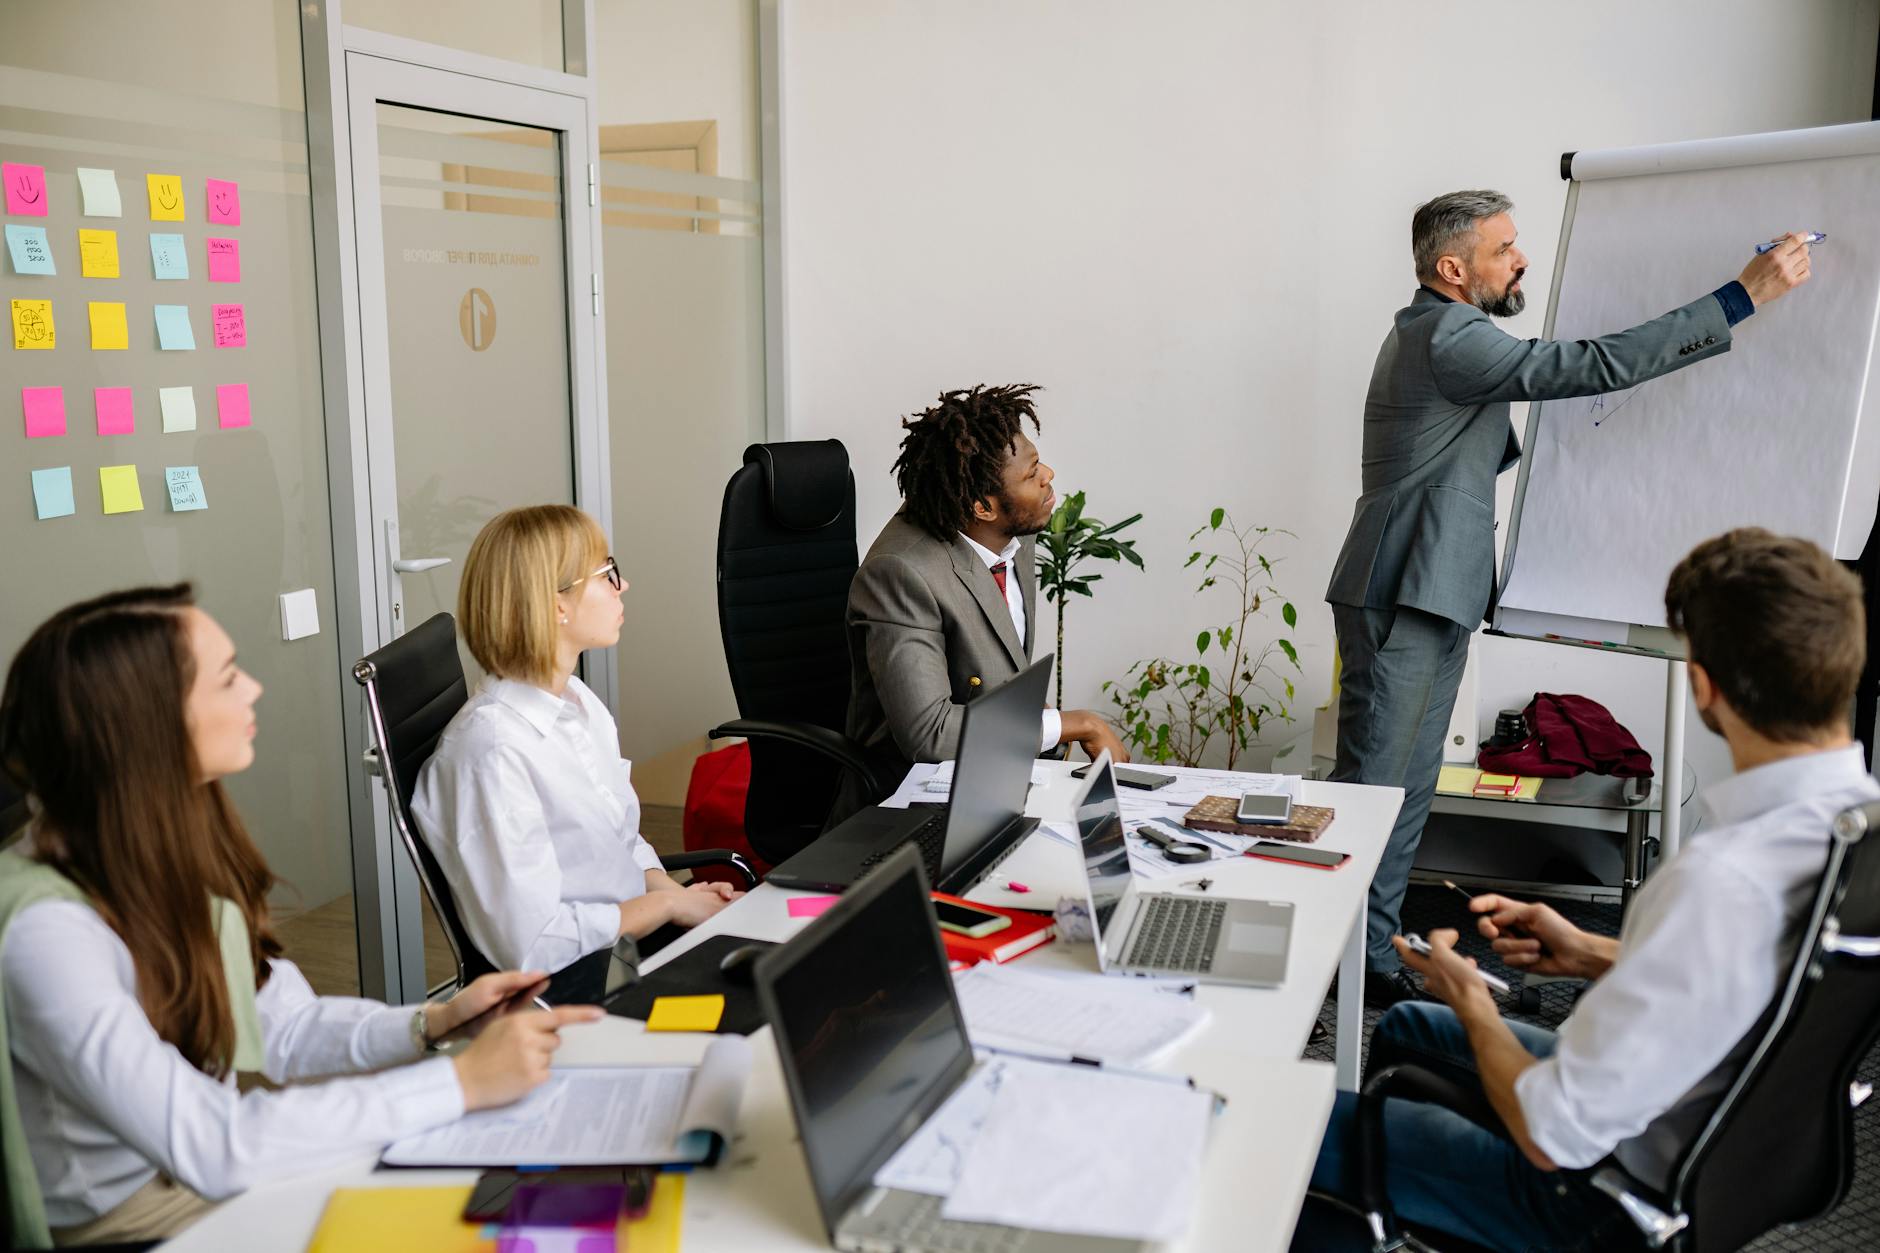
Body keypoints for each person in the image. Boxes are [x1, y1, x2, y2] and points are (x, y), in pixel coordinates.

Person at [1303, 529, 1878, 1251]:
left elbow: (1551, 1133)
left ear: (1703, 687)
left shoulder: (1720, 877)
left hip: (1592, 1197)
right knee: (1406, 1030)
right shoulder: (1855, 827)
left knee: (1285, 1126)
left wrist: (1474, 997)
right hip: (1710, 1137)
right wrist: (1589, 952)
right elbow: (1770, 984)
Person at [1324, 188, 1816, 1007]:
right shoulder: (1450, 334)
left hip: (1430, 587)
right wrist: (1742, 297)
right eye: (1504, 248)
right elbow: (1592, 365)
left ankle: (1370, 953)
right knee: (1377, 787)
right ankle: (1339, 964)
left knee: (1403, 789)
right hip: (1402, 586)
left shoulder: (1438, 330)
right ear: (1453, 269)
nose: (1521, 258)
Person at [0, 585, 599, 1247]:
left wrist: (434, 1023)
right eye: (227, 678)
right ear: (150, 726)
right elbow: (216, 1143)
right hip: (135, 1226)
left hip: (207, 1184)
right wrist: (458, 1079)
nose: (253, 689)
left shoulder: (162, 850)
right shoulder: (46, 935)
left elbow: (285, 1028)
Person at [414, 505, 741, 974]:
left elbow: (621, 841)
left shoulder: (575, 701)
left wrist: (681, 899)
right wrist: (667, 910)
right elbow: (532, 946)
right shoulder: (491, 754)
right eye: (607, 573)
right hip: (583, 983)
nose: (622, 586)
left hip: (627, 947)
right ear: (555, 605)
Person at [832, 383, 1130, 823]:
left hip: (993, 784)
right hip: (910, 810)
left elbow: (997, 667)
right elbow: (930, 735)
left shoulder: (1011, 533)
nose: (1047, 474)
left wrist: (1042, 729)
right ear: (982, 507)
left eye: (1037, 462)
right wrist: (1074, 723)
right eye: (1031, 475)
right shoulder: (900, 574)